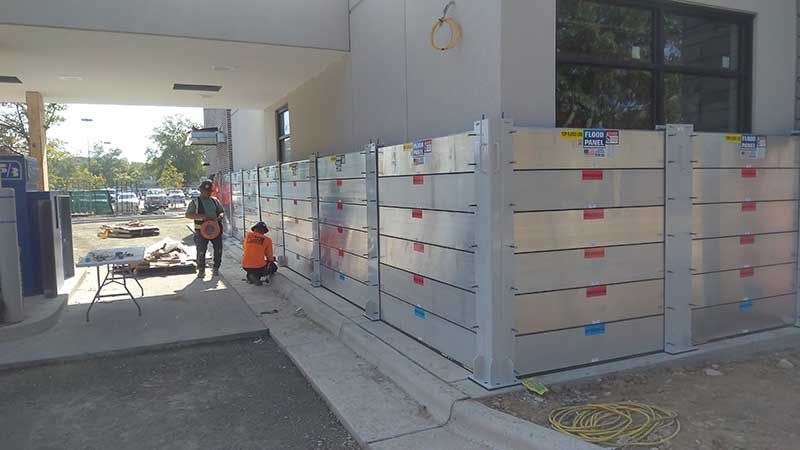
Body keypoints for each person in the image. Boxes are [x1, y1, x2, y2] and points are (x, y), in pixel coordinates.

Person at [186, 180, 224, 278]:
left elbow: (221, 211)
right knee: (201, 251)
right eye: (205, 190)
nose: (207, 192)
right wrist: (202, 217)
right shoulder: (195, 202)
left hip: (216, 229)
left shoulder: (215, 201)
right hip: (201, 231)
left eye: (209, 191)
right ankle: (201, 270)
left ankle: (216, 268)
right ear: (201, 190)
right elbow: (188, 215)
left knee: (218, 250)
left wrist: (220, 216)